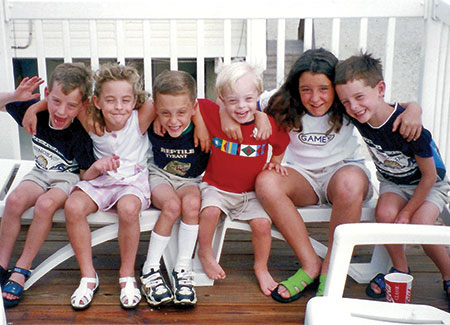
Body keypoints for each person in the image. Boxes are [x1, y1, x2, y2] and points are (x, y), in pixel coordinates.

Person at [252, 48, 423, 303]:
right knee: (265, 181)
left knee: (349, 183)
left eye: (324, 88)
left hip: (343, 172)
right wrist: (256, 115)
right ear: (296, 88)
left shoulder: (348, 105)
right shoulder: (282, 101)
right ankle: (310, 264)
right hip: (302, 177)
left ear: (336, 88)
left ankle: (331, 270)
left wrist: (415, 109)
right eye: (306, 89)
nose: (315, 97)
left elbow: (382, 103)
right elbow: (237, 102)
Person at [334, 52, 450, 300]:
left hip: (429, 184)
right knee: (385, 214)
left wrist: (407, 212)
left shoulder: (409, 127)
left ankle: (448, 275)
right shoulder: (361, 116)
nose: (353, 107)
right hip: (394, 183)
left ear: (380, 89)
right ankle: (400, 269)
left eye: (359, 97)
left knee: (421, 226)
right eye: (345, 102)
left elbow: (429, 176)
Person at [0, 63, 95, 308]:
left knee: (45, 205)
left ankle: (22, 268)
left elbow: (85, 175)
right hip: (40, 172)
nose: (62, 111)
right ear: (46, 96)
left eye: (71, 105)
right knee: (14, 200)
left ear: (82, 106)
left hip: (67, 179)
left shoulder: (81, 133)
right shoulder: (36, 112)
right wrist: (15, 97)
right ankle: (1, 264)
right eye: (56, 101)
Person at [64, 63, 155, 310]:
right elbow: (62, 98)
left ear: (135, 100)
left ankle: (127, 275)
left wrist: (200, 121)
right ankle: (88, 276)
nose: (119, 107)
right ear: (96, 101)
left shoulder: (139, 118)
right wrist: (34, 110)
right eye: (111, 100)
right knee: (73, 206)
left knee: (128, 209)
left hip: (132, 180)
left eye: (126, 100)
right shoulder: (92, 122)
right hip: (103, 179)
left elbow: (174, 96)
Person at [197, 61, 290, 296]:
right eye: (232, 100)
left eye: (248, 99)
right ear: (221, 98)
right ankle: (205, 253)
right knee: (208, 212)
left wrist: (275, 163)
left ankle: (261, 267)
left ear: (258, 95)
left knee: (262, 225)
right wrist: (220, 112)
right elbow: (193, 104)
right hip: (217, 187)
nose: (241, 107)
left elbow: (282, 143)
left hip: (250, 192)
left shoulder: (266, 124)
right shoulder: (214, 114)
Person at [140, 70, 210, 307]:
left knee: (191, 204)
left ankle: (182, 268)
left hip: (190, 180)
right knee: (171, 206)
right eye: (165, 113)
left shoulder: (205, 119)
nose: (173, 120)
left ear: (193, 107)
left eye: (181, 112)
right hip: (159, 175)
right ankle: (150, 269)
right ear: (155, 108)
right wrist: (155, 115)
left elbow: (242, 107)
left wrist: (199, 121)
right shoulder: (150, 117)